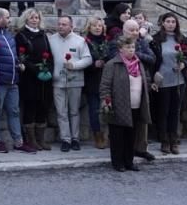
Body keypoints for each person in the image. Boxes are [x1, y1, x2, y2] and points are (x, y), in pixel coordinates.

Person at [0, 7, 32, 154]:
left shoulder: (8, 34)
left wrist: (18, 64)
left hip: (13, 80)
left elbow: (12, 55)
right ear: (0, 18)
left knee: (14, 111)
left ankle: (18, 141)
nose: (9, 20)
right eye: (7, 17)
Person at [100, 36, 151, 172]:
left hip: (136, 105)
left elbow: (146, 79)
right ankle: (118, 163)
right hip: (118, 106)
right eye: (128, 47)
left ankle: (129, 162)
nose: (131, 50)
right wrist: (106, 101)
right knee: (118, 137)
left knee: (131, 136)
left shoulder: (139, 63)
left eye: (133, 47)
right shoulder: (112, 64)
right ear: (120, 49)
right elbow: (105, 85)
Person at [49, 15, 93, 152]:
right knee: (61, 112)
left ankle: (75, 138)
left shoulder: (80, 41)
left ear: (71, 26)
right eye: (59, 24)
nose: (60, 26)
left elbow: (88, 59)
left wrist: (74, 65)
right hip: (57, 81)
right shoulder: (51, 40)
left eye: (64, 24)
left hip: (75, 81)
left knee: (74, 111)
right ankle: (65, 139)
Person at [115, 19, 157, 162]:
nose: (134, 32)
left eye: (136, 29)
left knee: (142, 119)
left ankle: (141, 148)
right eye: (131, 30)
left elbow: (152, 58)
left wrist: (135, 54)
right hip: (123, 86)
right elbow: (112, 58)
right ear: (124, 30)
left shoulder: (142, 42)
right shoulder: (117, 42)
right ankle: (126, 150)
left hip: (141, 84)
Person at [150, 13, 187, 154]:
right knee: (163, 112)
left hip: (178, 80)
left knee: (175, 112)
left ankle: (174, 140)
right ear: (163, 23)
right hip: (162, 80)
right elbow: (152, 60)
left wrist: (184, 64)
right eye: (168, 21)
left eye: (173, 21)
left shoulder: (182, 39)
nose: (171, 24)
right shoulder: (156, 40)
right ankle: (164, 140)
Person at [15, 8, 54, 150]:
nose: (34, 20)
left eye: (37, 17)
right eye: (32, 17)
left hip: (44, 77)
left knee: (43, 106)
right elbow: (22, 57)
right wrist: (35, 69)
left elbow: (49, 54)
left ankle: (40, 139)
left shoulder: (43, 35)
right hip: (29, 77)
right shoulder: (21, 36)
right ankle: (31, 140)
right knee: (30, 107)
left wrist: (48, 68)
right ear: (26, 19)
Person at [82, 16, 109, 148]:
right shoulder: (85, 42)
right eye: (94, 26)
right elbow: (82, 62)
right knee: (94, 109)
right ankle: (97, 135)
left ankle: (108, 134)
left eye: (100, 26)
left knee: (108, 109)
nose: (97, 28)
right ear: (89, 28)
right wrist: (93, 65)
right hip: (92, 80)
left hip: (106, 79)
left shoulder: (107, 41)